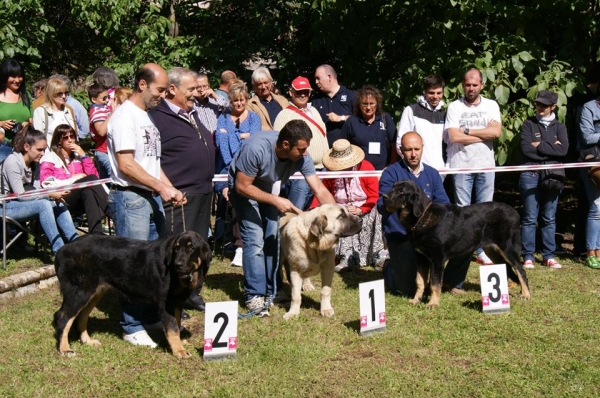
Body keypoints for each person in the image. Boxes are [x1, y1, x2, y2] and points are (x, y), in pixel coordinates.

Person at [107, 63, 186, 348]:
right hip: (131, 198)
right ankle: (130, 326)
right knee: (131, 265)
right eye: (160, 90)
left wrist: (169, 187)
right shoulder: (124, 117)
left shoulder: (147, 117)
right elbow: (126, 165)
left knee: (156, 264)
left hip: (150, 197)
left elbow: (152, 163)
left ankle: (152, 316)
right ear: (142, 84)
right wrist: (161, 187)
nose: (163, 96)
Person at [228, 119, 336, 316]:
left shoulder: (302, 155)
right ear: (286, 145)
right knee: (255, 239)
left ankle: (273, 290)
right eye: (301, 149)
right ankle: (255, 295)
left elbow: (319, 188)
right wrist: (276, 201)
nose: (305, 154)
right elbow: (242, 186)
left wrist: (335, 214)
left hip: (267, 187)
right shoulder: (256, 149)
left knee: (272, 237)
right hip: (243, 188)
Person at [149, 67, 215, 312]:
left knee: (197, 247)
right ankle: (172, 300)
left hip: (203, 192)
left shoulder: (193, 112)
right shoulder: (156, 116)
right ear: (172, 89)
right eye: (190, 90)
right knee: (178, 253)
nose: (195, 93)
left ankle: (192, 293)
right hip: (178, 196)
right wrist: (168, 187)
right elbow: (152, 158)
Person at [378, 131, 470, 296]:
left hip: (430, 236)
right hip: (402, 236)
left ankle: (451, 281)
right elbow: (381, 205)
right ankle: (389, 268)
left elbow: (444, 203)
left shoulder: (432, 173)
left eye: (416, 149)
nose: (413, 154)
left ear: (422, 149)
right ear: (401, 150)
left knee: (467, 238)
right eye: (408, 150)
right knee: (405, 289)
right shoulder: (390, 173)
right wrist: (391, 205)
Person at [444, 68, 501, 265]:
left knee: (485, 211)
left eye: (475, 85)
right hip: (461, 165)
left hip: (486, 165)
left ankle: (482, 250)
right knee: (462, 211)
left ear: (482, 85)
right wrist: (484, 132)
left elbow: (496, 133)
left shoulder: (491, 105)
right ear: (462, 84)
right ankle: (464, 251)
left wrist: (467, 130)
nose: (471, 88)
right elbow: (454, 136)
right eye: (467, 84)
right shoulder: (454, 107)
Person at [0, 125, 78, 254]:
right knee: (44, 204)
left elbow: (37, 190)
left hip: (19, 202)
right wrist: (50, 194)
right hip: (4, 206)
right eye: (39, 150)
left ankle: (76, 244)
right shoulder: (12, 162)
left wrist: (53, 196)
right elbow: (21, 196)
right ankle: (59, 250)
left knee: (56, 202)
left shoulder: (36, 163)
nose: (43, 154)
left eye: (44, 150)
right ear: (26, 147)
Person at [311, 139, 383, 271]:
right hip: (341, 210)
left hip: (365, 209)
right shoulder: (330, 173)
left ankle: (377, 254)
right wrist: (312, 209)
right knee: (339, 219)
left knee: (377, 211)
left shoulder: (366, 167)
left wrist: (361, 209)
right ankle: (346, 256)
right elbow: (322, 192)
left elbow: (374, 195)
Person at [519, 91, 569, 269]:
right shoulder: (528, 124)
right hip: (530, 175)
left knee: (549, 217)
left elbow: (563, 151)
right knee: (530, 217)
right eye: (538, 104)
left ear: (553, 107)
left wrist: (538, 145)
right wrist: (550, 147)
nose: (540, 108)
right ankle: (528, 256)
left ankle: (549, 255)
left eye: (544, 105)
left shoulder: (560, 127)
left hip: (553, 176)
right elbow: (526, 149)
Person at [215, 81, 261, 266]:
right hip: (226, 169)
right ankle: (238, 246)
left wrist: (231, 135)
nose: (239, 104)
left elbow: (254, 141)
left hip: (250, 168)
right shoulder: (223, 117)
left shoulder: (254, 117)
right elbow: (220, 142)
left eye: (242, 100)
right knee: (232, 203)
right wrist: (242, 136)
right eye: (235, 101)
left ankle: (247, 244)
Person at [40, 124, 109, 235]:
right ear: (59, 141)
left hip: (79, 198)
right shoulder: (50, 158)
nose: (70, 140)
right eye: (65, 138)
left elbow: (95, 178)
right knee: (89, 180)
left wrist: (84, 155)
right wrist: (72, 180)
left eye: (72, 136)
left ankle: (96, 234)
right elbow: (46, 182)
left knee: (89, 191)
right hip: (61, 197)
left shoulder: (78, 157)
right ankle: (110, 210)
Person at [274, 76, 328, 210]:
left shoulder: (314, 111)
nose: (303, 95)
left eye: (306, 91)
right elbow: (279, 144)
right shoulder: (285, 114)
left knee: (312, 210)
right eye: (299, 92)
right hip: (299, 171)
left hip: (321, 169)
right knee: (296, 209)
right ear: (291, 92)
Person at [339, 85, 397, 170]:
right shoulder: (352, 121)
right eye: (365, 104)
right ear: (359, 104)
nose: (368, 107)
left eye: (371, 103)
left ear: (377, 104)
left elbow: (394, 145)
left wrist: (391, 166)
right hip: (359, 173)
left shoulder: (385, 119)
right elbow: (342, 146)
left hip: (382, 172)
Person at [397, 75, 447, 171]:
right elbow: (401, 142)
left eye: (439, 93)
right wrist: (411, 166)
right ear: (425, 92)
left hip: (440, 171)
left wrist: (445, 168)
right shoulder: (411, 110)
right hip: (416, 169)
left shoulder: (445, 114)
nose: (435, 96)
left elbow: (448, 145)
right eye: (431, 93)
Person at [578, 96, 600, 269]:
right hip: (593, 161)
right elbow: (587, 137)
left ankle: (598, 250)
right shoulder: (588, 107)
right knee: (596, 206)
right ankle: (590, 251)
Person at [312, 64, 356, 147]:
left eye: (318, 78)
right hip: (324, 151)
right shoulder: (317, 100)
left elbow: (361, 120)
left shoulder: (351, 95)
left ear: (329, 77)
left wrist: (341, 118)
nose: (316, 82)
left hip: (348, 151)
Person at [0, 58, 33, 162]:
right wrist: (1, 123)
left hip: (24, 147)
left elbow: (32, 120)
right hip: (3, 147)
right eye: (13, 76)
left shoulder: (25, 95)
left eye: (20, 76)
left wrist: (27, 124)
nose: (18, 80)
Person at [32, 77, 77, 142]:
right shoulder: (40, 111)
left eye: (66, 93)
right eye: (60, 94)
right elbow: (39, 139)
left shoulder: (67, 110)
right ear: (51, 94)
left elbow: (73, 134)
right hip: (50, 150)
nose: (64, 96)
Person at [87, 83, 112, 179]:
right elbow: (100, 131)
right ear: (94, 99)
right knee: (112, 180)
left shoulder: (102, 109)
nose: (107, 101)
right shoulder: (97, 111)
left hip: (104, 150)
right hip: (104, 151)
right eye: (104, 98)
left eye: (108, 97)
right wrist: (112, 114)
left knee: (104, 180)